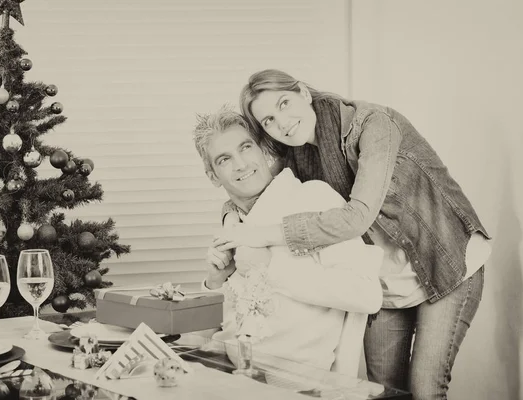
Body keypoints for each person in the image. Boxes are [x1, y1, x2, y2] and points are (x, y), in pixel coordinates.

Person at [212, 70, 492, 400]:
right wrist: (232, 221)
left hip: (445, 262)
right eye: (269, 121)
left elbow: (357, 218)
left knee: (425, 388)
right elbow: (253, 185)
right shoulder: (299, 150)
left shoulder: (375, 125)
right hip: (387, 280)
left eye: (284, 103)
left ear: (303, 92)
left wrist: (262, 235)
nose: (283, 123)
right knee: (383, 390)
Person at [192, 106, 384, 383]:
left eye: (246, 148)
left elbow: (366, 294)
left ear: (263, 151)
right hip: (227, 377)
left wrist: (270, 267)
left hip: (293, 385)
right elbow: (205, 337)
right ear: (213, 177)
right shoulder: (232, 226)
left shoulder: (313, 199)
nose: (241, 164)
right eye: (224, 159)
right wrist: (214, 283)